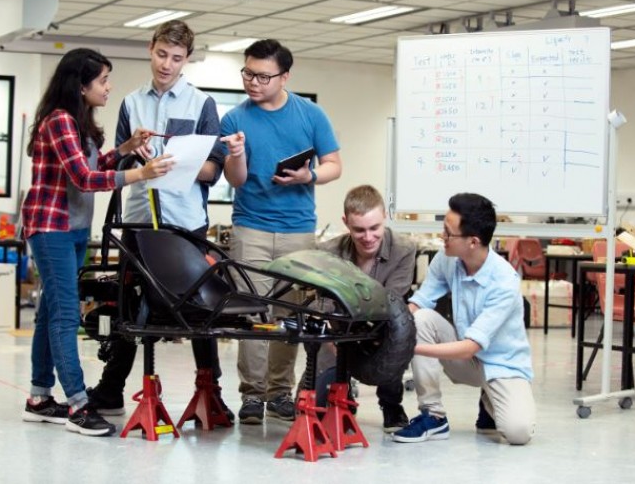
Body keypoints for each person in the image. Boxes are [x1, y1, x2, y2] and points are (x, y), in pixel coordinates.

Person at [85, 20, 233, 422]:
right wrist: (134, 153)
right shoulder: (131, 102)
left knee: (200, 309)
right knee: (129, 307)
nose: (167, 64)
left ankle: (211, 389)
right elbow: (117, 159)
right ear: (151, 49)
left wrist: (176, 164)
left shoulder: (202, 104)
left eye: (177, 58)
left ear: (187, 60)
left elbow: (213, 169)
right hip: (138, 221)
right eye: (162, 54)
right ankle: (112, 387)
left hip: (185, 223)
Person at [20, 48, 173, 436]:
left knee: (48, 314)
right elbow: (84, 180)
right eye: (103, 80)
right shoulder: (58, 122)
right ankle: (78, 404)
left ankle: (39, 397)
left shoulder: (76, 121)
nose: (108, 87)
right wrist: (141, 173)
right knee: (66, 315)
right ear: (81, 84)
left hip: (71, 227)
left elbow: (91, 167)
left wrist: (122, 152)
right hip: (50, 226)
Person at [221, 39, 342, 424]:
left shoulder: (311, 115)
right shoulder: (235, 119)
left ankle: (278, 392)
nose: (253, 82)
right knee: (253, 314)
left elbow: (334, 165)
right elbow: (235, 180)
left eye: (262, 76)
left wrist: (309, 175)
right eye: (248, 73)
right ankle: (252, 396)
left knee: (290, 314)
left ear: (285, 76)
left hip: (298, 231)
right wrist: (237, 156)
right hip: (250, 227)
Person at [392, 193, 536, 445]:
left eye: (448, 233)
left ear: (473, 241)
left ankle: (490, 399)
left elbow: (471, 346)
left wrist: (411, 348)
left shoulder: (503, 282)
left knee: (518, 433)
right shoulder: (447, 259)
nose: (442, 236)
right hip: (467, 361)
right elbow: (420, 301)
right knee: (422, 319)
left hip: (502, 364)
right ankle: (433, 416)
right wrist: (395, 327)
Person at [313, 185, 415, 432]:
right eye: (359, 230)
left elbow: (392, 302)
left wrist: (363, 342)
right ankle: (341, 399)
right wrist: (337, 345)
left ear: (384, 219)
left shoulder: (405, 249)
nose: (368, 237)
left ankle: (391, 404)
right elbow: (324, 306)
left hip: (381, 327)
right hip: (338, 330)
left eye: (374, 228)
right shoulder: (328, 253)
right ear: (346, 223)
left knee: (398, 337)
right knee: (321, 415)